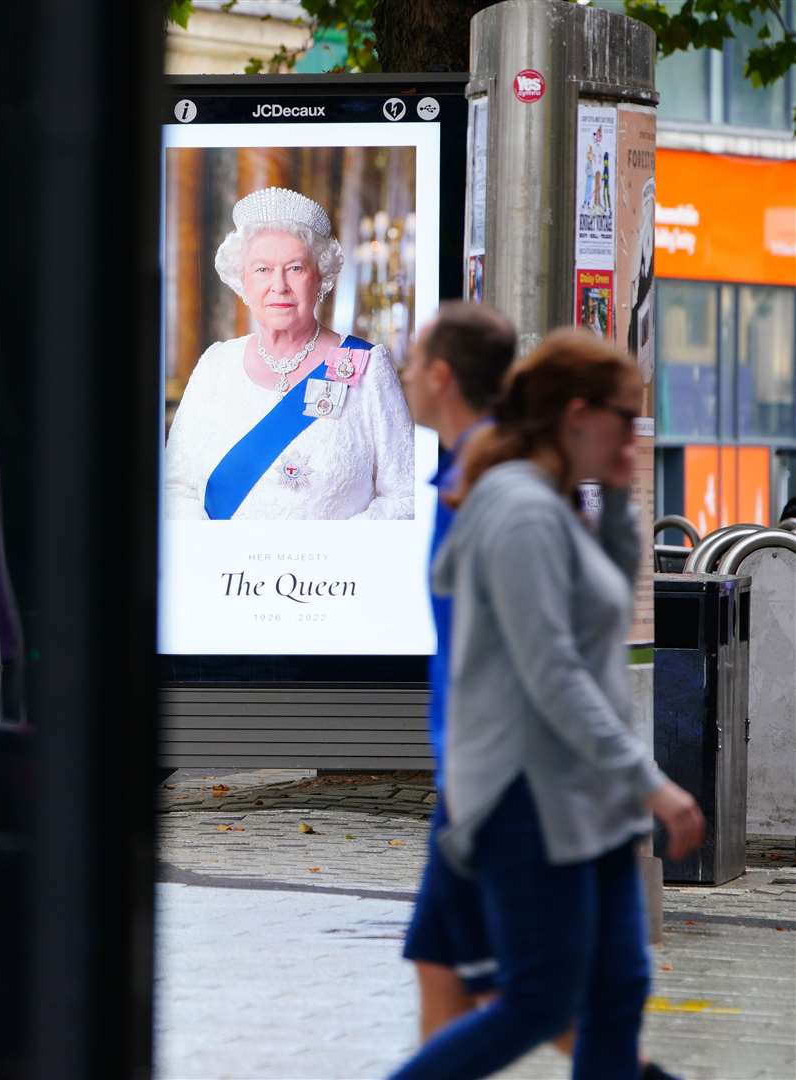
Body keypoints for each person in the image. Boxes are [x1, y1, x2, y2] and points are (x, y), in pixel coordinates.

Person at [390, 329, 705, 1080]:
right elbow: (551, 671)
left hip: (578, 794)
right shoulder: (519, 511)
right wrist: (651, 783)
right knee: (538, 999)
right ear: (574, 413)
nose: (633, 437)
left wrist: (625, 494)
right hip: (527, 794)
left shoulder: (553, 502)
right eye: (623, 419)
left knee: (616, 989)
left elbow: (606, 602)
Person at [396, 301, 517, 1039]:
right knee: (439, 962)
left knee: (532, 1000)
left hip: (486, 772)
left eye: (412, 362)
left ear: (440, 376)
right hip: (467, 765)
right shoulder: (464, 469)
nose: (403, 376)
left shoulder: (483, 480)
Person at [163, 187, 414, 521]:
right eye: (262, 270)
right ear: (243, 282)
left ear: (320, 276)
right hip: (230, 574)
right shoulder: (215, 366)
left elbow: (406, 495)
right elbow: (175, 488)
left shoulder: (366, 365)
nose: (278, 285)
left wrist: (331, 554)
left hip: (335, 573)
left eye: (295, 268)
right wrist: (216, 555)